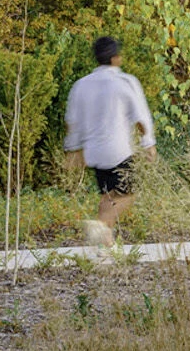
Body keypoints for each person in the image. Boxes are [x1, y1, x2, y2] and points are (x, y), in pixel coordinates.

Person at [63, 35, 156, 247]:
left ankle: (105, 246)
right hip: (119, 151)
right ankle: (101, 225)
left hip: (94, 153)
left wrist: (73, 149)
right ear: (115, 58)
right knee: (128, 195)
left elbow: (72, 121)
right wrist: (148, 143)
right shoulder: (126, 82)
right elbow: (140, 118)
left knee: (108, 197)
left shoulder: (81, 85)